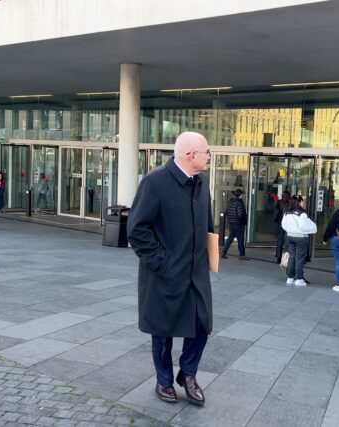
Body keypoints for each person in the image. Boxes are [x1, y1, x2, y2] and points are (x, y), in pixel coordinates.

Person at [127, 131, 213, 406]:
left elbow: (206, 222)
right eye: (207, 152)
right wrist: (161, 262)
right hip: (164, 275)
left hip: (196, 273)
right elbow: (137, 229)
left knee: (202, 325)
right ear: (191, 155)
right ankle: (163, 380)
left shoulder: (202, 182)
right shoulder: (154, 182)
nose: (209, 156)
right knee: (162, 331)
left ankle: (188, 374)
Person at [281, 196, 317, 287]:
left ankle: (290, 278)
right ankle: (299, 279)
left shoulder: (287, 212)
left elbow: (283, 225)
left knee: (292, 257)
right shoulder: (302, 213)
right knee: (300, 258)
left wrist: (291, 230)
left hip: (290, 236)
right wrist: (312, 228)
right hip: (301, 238)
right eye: (302, 201)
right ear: (299, 202)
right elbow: (303, 226)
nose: (303, 203)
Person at [221, 188, 249, 260]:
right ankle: (242, 255)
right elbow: (240, 214)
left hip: (231, 223)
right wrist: (243, 221)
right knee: (240, 240)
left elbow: (227, 212)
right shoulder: (239, 202)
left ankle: (224, 252)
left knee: (230, 238)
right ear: (240, 195)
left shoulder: (230, 201)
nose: (243, 196)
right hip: (238, 224)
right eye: (242, 194)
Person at [274, 190, 291, 264]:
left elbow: (277, 207)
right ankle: (285, 257)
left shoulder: (279, 202)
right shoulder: (290, 203)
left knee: (280, 240)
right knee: (287, 240)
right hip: (287, 223)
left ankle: (278, 257)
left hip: (280, 222)